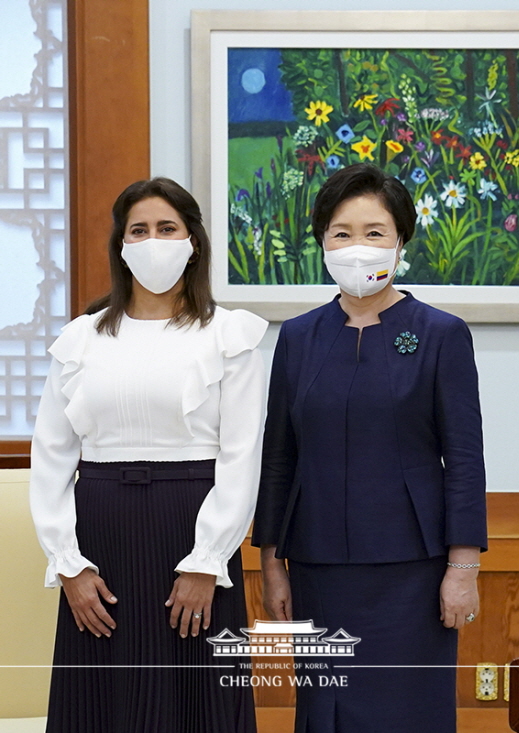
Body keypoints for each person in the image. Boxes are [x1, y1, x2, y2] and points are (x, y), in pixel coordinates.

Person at [252, 163, 487, 732]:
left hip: (414, 569)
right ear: (322, 243)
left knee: (408, 712)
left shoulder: (440, 334)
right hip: (318, 566)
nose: (358, 247)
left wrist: (463, 567)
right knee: (325, 713)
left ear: (400, 241)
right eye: (342, 233)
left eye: (374, 233)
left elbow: (464, 458)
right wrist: (270, 562)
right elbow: (279, 455)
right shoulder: (299, 336)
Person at [30, 177, 266, 733]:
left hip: (193, 535)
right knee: (101, 705)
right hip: (100, 544)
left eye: (168, 228)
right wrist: (69, 564)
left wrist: (207, 561)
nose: (153, 241)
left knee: (195, 704)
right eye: (139, 230)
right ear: (120, 244)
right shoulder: (81, 339)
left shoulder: (229, 335)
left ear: (193, 243)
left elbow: (241, 457)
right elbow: (51, 458)